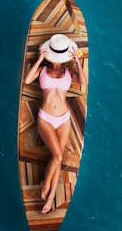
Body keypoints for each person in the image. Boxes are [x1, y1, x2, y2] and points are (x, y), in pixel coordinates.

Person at [24, 33, 87, 214]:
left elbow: (83, 82)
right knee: (58, 156)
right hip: (46, 118)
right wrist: (39, 59)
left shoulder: (69, 72)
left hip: (64, 118)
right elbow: (28, 80)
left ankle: (49, 192)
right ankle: (49, 194)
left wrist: (76, 62)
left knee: (57, 158)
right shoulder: (42, 70)